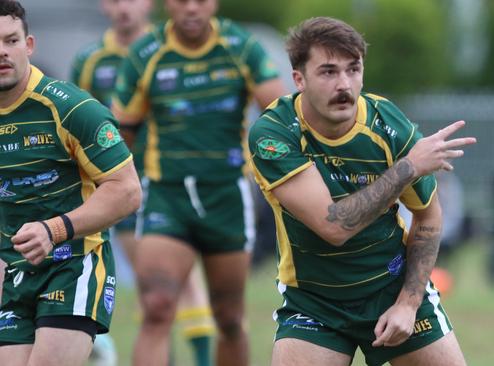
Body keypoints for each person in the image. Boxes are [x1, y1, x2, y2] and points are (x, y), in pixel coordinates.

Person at [248, 17, 475, 366]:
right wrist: (409, 167)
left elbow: (428, 216)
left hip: (391, 286)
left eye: (353, 69)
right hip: (314, 301)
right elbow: (333, 226)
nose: (344, 84)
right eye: (328, 72)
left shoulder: (388, 125)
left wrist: (408, 304)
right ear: (299, 79)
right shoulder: (274, 134)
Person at [110, 0, 287, 364]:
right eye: (181, 0)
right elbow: (121, 131)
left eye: (201, 0)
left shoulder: (241, 46)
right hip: (166, 195)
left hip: (226, 196)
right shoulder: (147, 53)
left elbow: (281, 113)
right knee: (157, 307)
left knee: (230, 317)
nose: (191, 8)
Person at [70, 1, 217, 365]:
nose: (124, 8)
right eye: (115, 0)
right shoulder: (90, 60)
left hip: (171, 180)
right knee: (155, 288)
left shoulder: (168, 50)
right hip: (118, 186)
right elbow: (73, 121)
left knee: (186, 282)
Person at [0, 1, 141, 365]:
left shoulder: (72, 109)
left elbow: (126, 190)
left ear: (28, 45)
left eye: (10, 40)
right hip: (12, 273)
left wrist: (55, 230)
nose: (2, 52)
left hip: (73, 265)